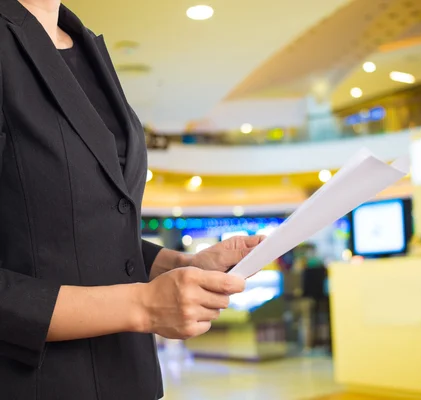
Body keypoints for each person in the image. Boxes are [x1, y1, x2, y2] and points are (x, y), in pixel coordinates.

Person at [0, 0, 263, 398]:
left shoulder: (81, 42)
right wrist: (143, 305)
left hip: (128, 375)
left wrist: (179, 264)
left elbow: (76, 229)